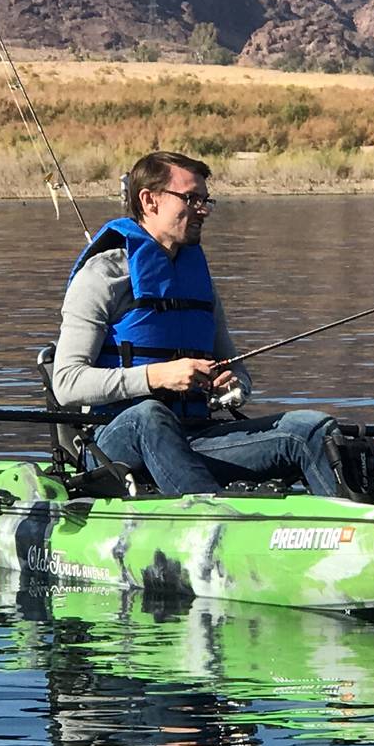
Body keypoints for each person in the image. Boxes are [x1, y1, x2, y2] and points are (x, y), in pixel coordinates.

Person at [52, 151, 340, 496]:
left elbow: (239, 374)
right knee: (149, 416)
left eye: (205, 200)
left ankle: (364, 520)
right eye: (191, 199)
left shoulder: (199, 282)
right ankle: (214, 521)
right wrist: (157, 376)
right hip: (113, 444)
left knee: (311, 429)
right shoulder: (102, 275)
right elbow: (67, 384)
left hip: (193, 437)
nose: (202, 209)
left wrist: (232, 387)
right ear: (150, 200)